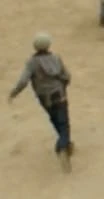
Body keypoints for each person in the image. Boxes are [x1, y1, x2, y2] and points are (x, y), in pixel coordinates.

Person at [7, 33, 74, 171]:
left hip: (44, 97)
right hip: (59, 94)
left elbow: (23, 81)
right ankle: (63, 146)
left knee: (54, 119)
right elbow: (66, 76)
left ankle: (64, 144)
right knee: (64, 123)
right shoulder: (56, 58)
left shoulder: (32, 63)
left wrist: (14, 93)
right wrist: (64, 86)